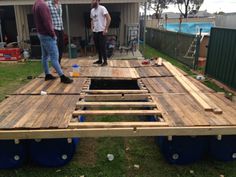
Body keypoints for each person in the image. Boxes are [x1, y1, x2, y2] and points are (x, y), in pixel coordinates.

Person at [33, 0, 73, 84]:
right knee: (54, 56)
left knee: (45, 56)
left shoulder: (36, 4)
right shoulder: (43, 5)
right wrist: (53, 34)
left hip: (41, 34)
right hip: (47, 34)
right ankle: (62, 77)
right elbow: (47, 22)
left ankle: (47, 74)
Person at [90, 0, 111, 66]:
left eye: (94, 0)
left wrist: (106, 29)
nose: (92, 1)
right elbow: (92, 20)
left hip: (102, 31)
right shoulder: (92, 10)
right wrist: (92, 28)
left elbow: (109, 18)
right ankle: (99, 60)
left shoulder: (102, 8)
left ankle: (105, 61)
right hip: (95, 31)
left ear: (98, 1)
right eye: (92, 0)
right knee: (97, 47)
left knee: (102, 47)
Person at [47, 0, 64, 65]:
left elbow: (60, 17)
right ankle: (55, 64)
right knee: (55, 48)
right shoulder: (47, 4)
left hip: (61, 28)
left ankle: (58, 63)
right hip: (54, 29)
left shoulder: (59, 4)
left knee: (61, 46)